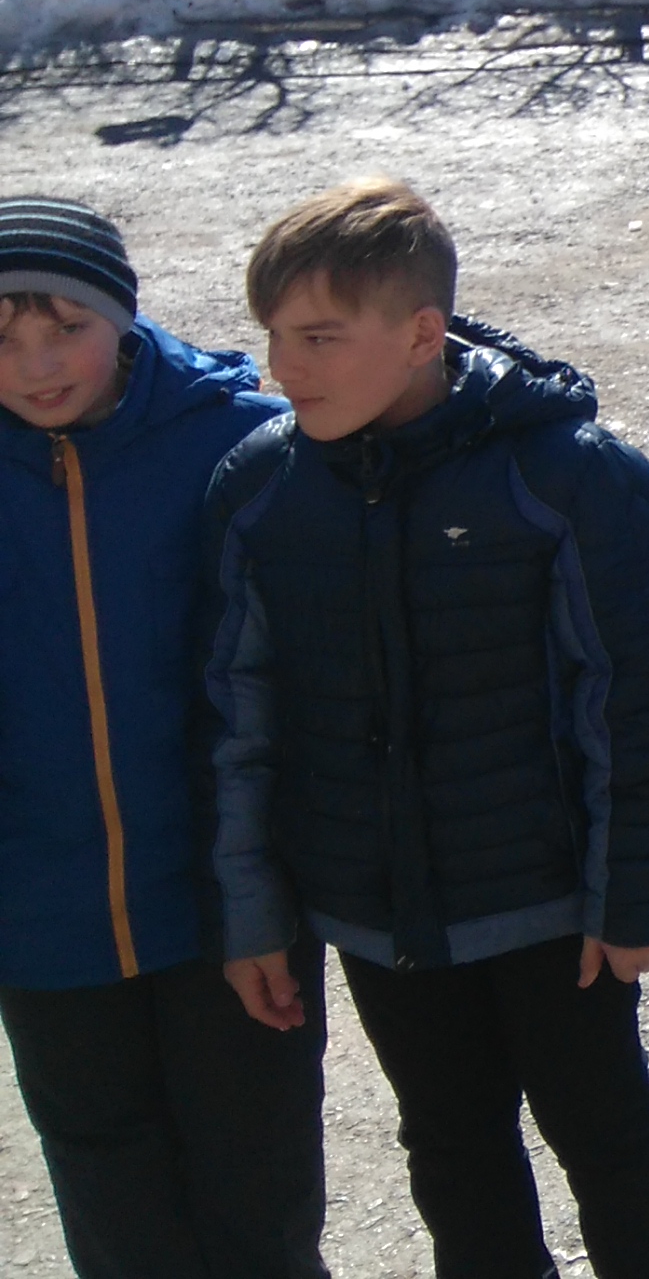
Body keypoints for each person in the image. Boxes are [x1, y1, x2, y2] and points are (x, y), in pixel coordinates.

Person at [206, 180, 649, 1279]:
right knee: (449, 1140)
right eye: (274, 336)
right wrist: (254, 912)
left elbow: (637, 701)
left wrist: (637, 895)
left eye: (319, 338)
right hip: (377, 908)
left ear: (423, 333)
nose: (282, 368)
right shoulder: (261, 489)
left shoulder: (566, 476)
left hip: (549, 905)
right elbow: (242, 719)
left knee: (603, 1127)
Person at [0, 200, 322, 1279]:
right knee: (109, 1195)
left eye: (67, 327)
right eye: (2, 338)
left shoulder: (238, 440)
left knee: (259, 1191)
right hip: (41, 921)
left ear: (125, 318)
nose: (38, 365)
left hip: (226, 912)